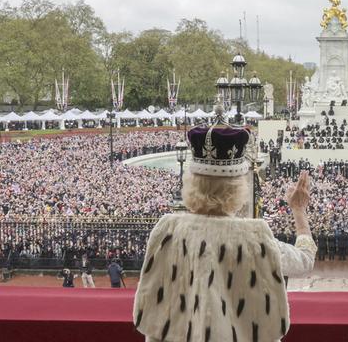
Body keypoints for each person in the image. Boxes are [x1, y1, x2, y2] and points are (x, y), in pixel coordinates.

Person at [133, 106, 317, 342]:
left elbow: (152, 316)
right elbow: (304, 260)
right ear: (237, 188)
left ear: (191, 183)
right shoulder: (256, 237)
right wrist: (299, 212)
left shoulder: (167, 230)